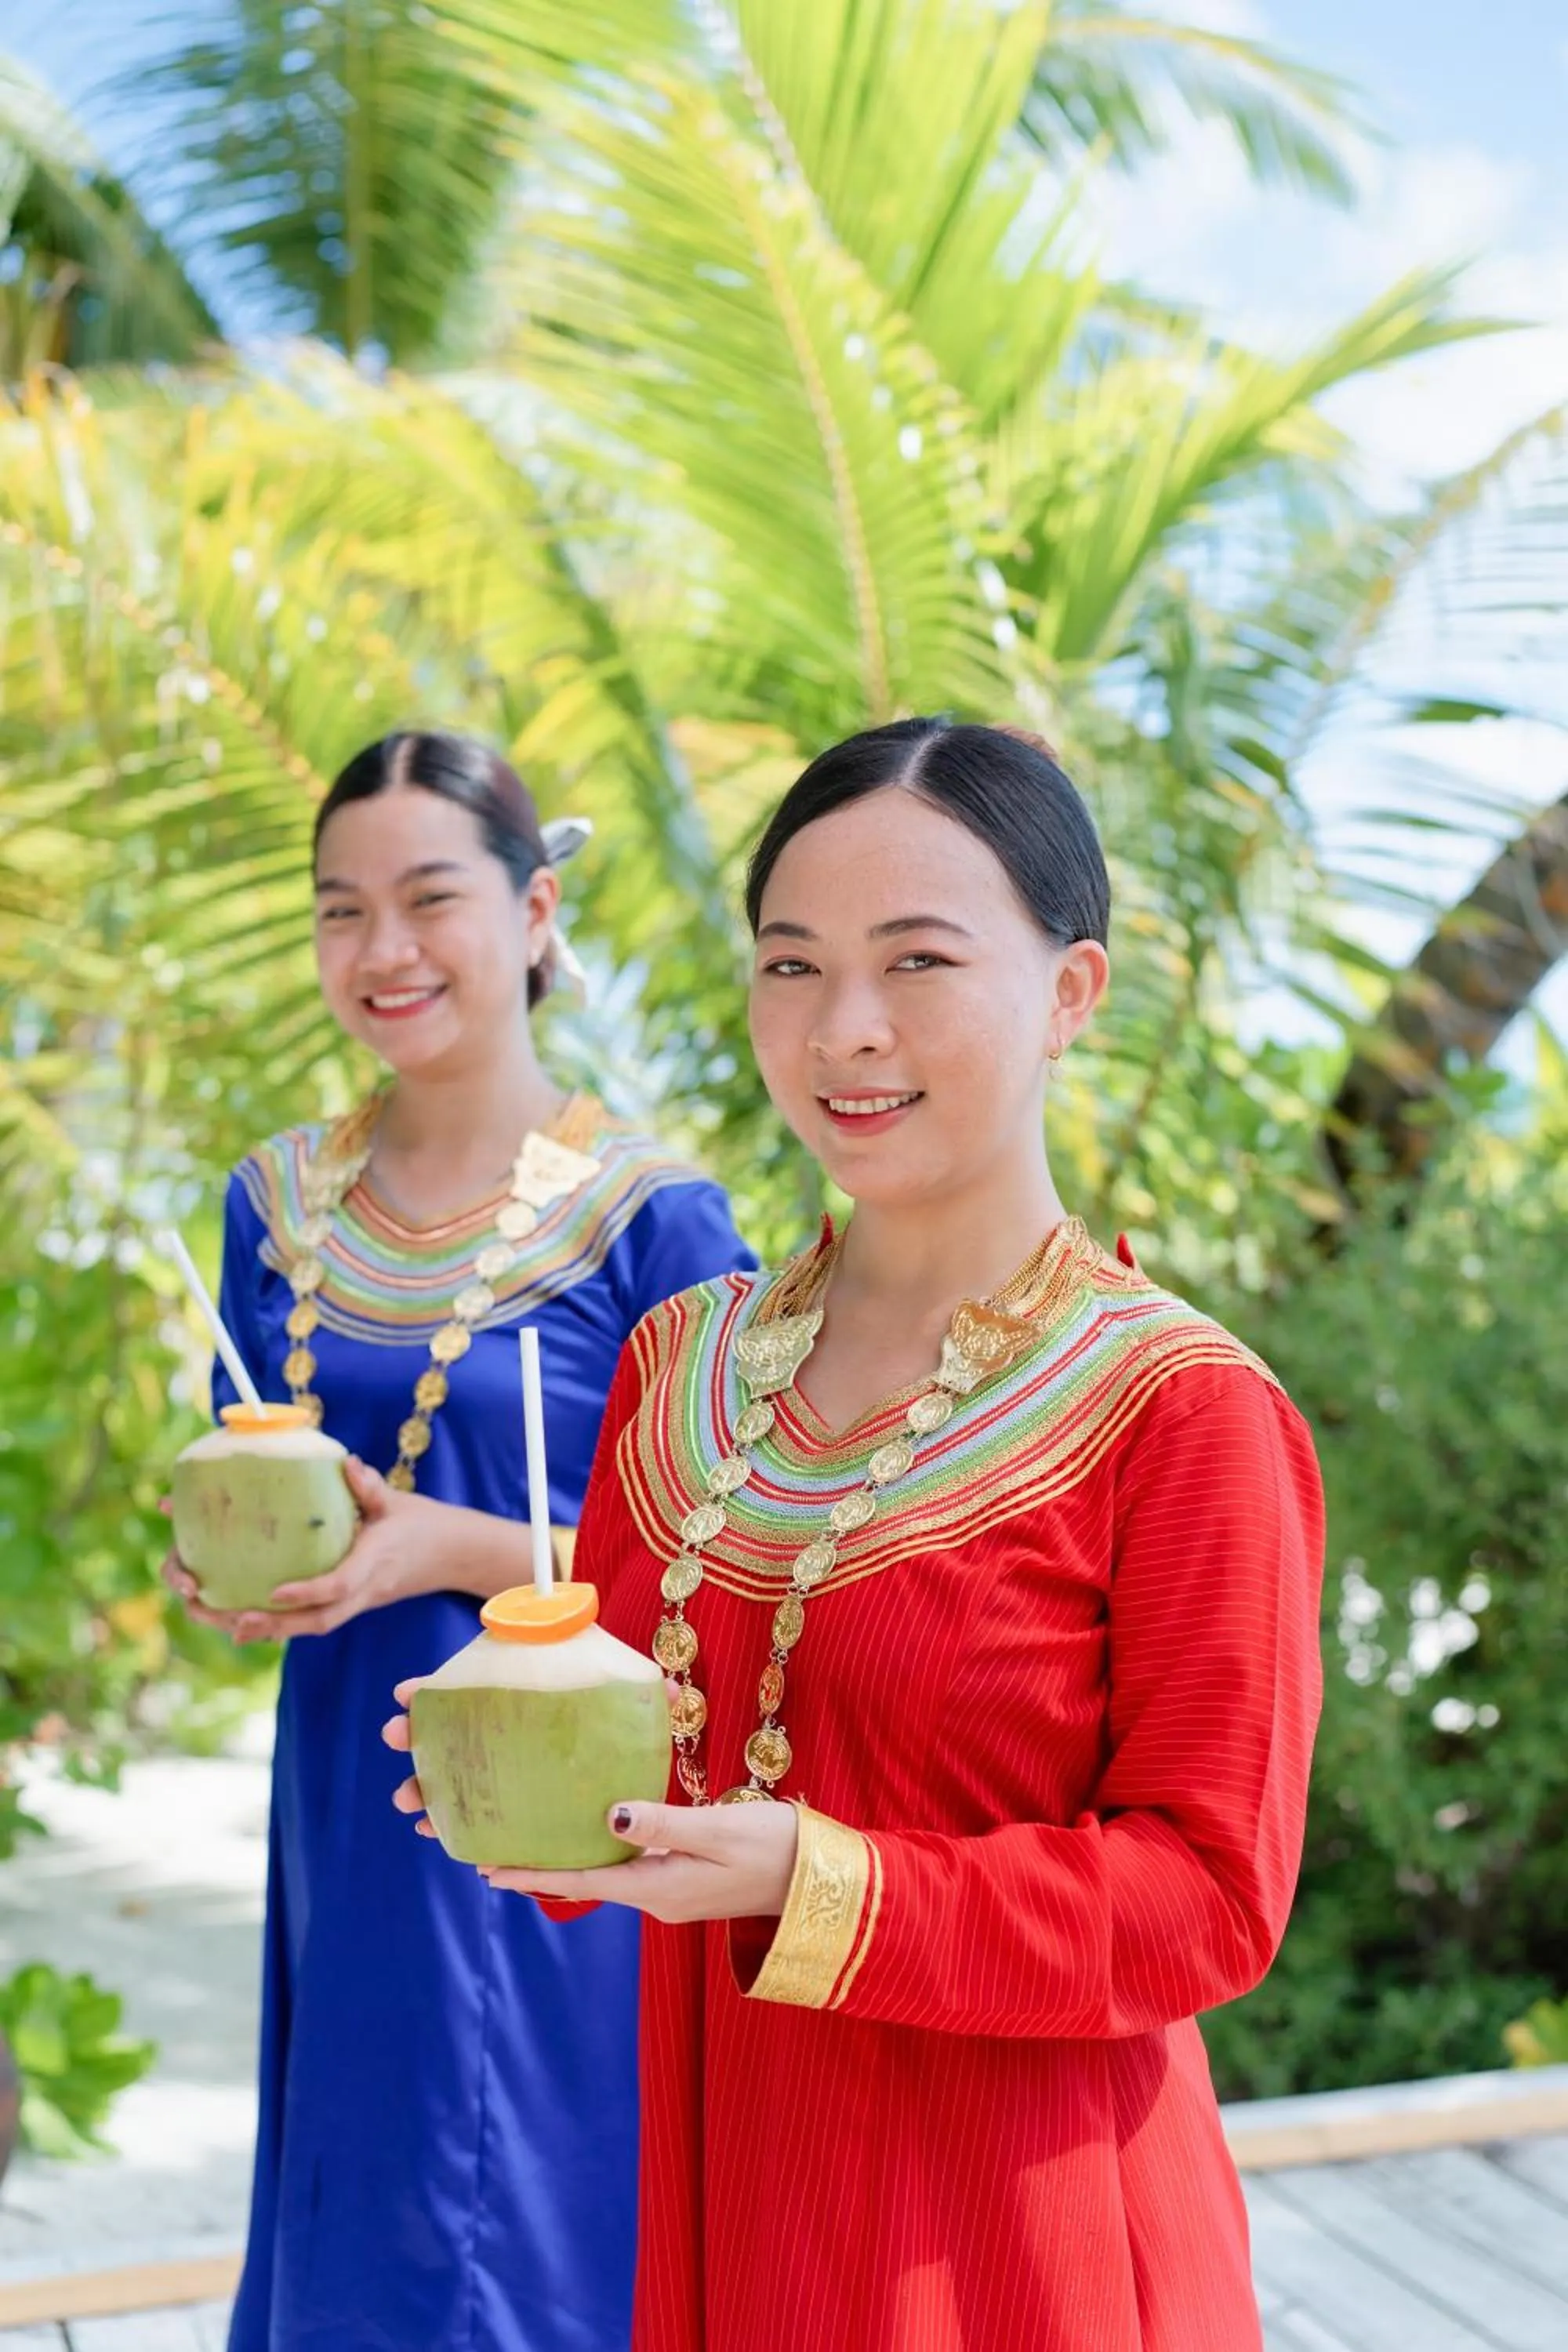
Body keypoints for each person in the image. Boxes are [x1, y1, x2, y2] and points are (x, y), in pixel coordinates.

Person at [392, 717, 1327, 2350]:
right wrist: (526, 1803)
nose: (847, 1030)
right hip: (729, 2215)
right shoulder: (675, 1369)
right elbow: (629, 1771)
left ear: (1071, 994)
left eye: (919, 962)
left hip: (1024, 2252)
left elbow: (1205, 1902)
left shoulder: (1181, 1414)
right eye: (793, 965)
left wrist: (828, 1884)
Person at [166, 730, 754, 2352]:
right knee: (357, 2184)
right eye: (339, 911)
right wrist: (220, 1556)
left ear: (537, 910)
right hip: (346, 1788)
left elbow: (734, 1566)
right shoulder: (272, 1202)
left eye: (431, 898)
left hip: (562, 1815)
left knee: (536, 2225)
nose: (386, 951)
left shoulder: (654, 1219)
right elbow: (246, 1452)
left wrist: (445, 1551)